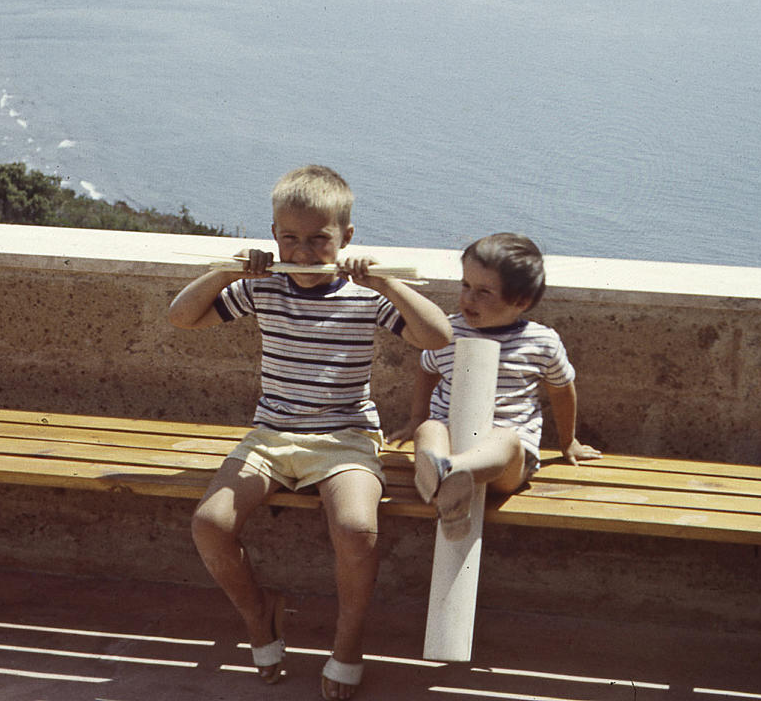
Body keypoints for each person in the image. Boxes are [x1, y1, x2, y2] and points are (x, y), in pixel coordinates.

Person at [168, 165, 452, 700]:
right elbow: (182, 317)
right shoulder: (263, 290)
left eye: (319, 239)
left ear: (346, 238)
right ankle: (259, 614)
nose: (302, 252)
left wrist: (385, 281)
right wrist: (227, 272)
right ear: (273, 236)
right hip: (271, 435)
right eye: (290, 238)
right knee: (210, 524)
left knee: (355, 529)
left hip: (345, 438)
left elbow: (437, 334)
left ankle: (348, 643)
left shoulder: (365, 296)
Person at [389, 232, 601, 540]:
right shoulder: (447, 333)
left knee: (507, 440)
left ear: (521, 301)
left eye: (484, 292)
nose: (467, 299)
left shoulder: (541, 342)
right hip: (452, 436)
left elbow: (562, 389)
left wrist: (568, 441)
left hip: (504, 462)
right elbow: (427, 369)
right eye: (465, 286)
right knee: (429, 430)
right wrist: (416, 419)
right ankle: (446, 482)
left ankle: (447, 472)